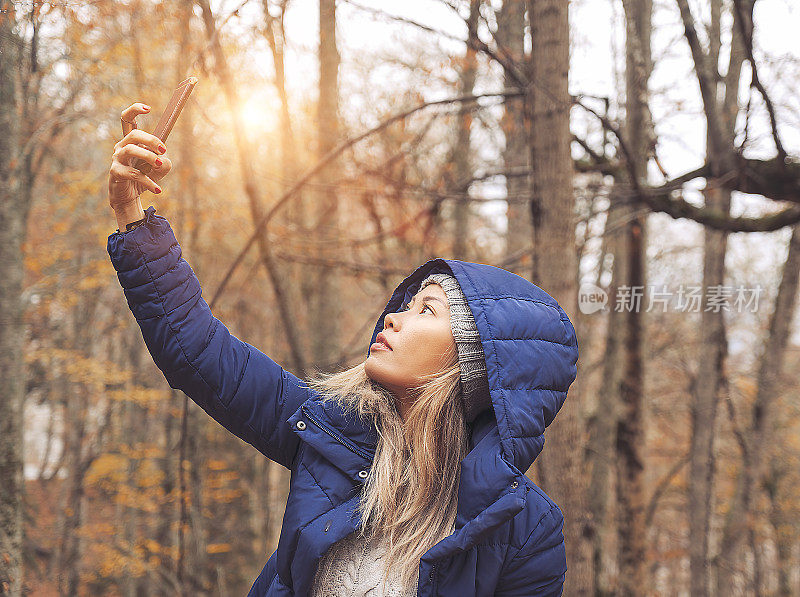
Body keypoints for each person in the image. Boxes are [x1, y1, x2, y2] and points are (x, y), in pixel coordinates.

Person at [107, 103, 579, 597]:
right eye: (407, 304)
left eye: (428, 311)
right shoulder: (329, 428)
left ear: (475, 366)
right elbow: (199, 352)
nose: (394, 315)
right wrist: (130, 215)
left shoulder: (527, 534)